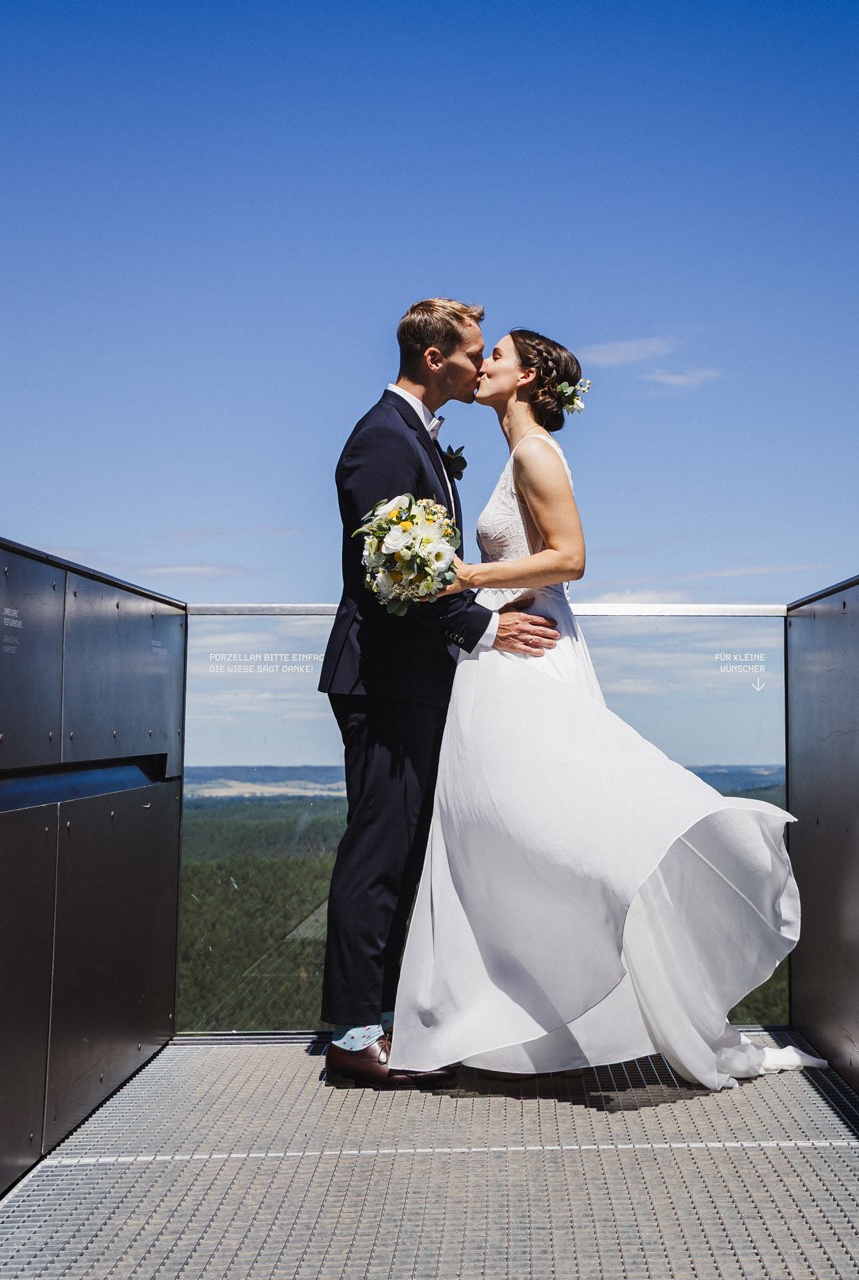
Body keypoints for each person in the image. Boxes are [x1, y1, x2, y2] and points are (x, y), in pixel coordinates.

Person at [387, 328, 825, 1089]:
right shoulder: (515, 454)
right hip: (500, 658)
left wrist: (464, 577)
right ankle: (505, 1021)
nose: (482, 365)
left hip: (530, 658)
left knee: (554, 831)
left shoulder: (535, 453)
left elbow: (571, 558)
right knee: (493, 838)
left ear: (528, 378)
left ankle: (584, 1003)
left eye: (497, 356)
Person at [316, 299, 562, 1088]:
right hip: (385, 678)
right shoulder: (383, 439)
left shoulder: (413, 436)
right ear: (434, 359)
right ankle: (354, 1034)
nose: (479, 364)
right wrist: (483, 626)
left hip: (414, 677)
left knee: (404, 846)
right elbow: (390, 573)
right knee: (379, 849)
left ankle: (383, 1016)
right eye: (471, 352)